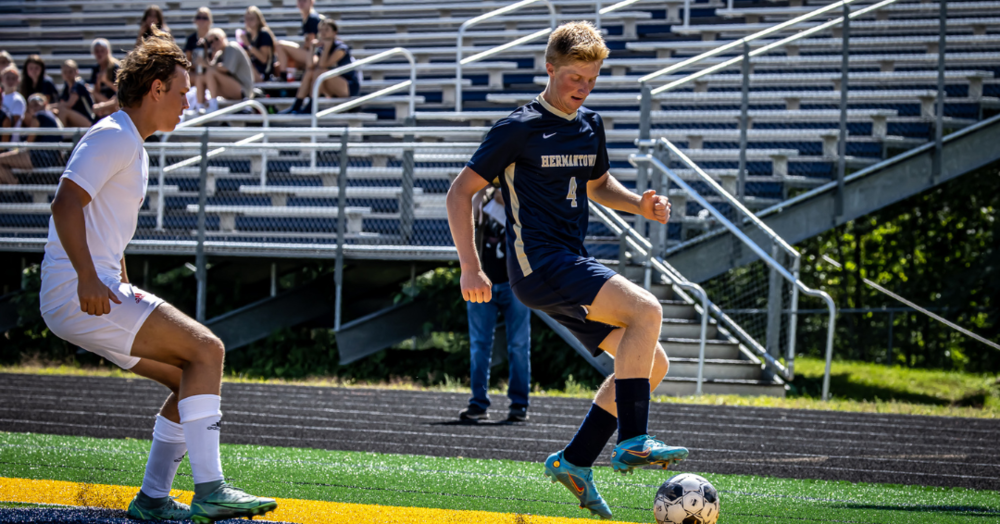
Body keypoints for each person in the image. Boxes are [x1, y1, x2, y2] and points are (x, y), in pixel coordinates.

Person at [445, 21, 688, 520]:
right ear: (550, 68)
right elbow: (459, 192)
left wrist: (638, 205)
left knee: (650, 363)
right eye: (574, 76)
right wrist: (471, 268)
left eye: (592, 79)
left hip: (567, 262)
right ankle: (634, 440)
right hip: (539, 265)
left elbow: (598, 186)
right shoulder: (517, 127)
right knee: (646, 309)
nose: (582, 87)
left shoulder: (590, 124)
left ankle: (575, 461)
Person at [40, 26, 276, 522]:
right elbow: (65, 204)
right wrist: (88, 277)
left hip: (89, 289)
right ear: (156, 89)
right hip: (77, 292)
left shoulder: (131, 143)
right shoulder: (113, 136)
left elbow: (104, 228)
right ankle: (211, 488)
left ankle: (151, 498)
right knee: (208, 350)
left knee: (189, 378)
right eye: (184, 93)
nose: (187, 104)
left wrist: (111, 278)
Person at [459, 184, 532, 423]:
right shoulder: (482, 194)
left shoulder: (525, 190)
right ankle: (478, 404)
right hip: (483, 283)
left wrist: (510, 199)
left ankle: (519, 405)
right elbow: (467, 215)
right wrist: (485, 191)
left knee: (519, 345)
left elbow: (533, 224)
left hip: (517, 284)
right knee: (479, 345)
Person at [281, 19, 358, 114]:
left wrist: (327, 46)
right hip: (330, 86)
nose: (323, 32)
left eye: (327, 29)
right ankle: (296, 105)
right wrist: (312, 47)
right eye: (321, 30)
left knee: (320, 71)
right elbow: (310, 65)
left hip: (347, 87)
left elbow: (322, 65)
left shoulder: (341, 48)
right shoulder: (321, 48)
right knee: (310, 72)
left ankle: (311, 105)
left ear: (335, 32)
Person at [0, 94, 63, 184]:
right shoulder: (51, 116)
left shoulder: (39, 116)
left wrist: (14, 151)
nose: (33, 107)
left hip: (42, 156)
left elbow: (28, 144)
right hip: (49, 156)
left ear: (45, 104)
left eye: (36, 104)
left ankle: (17, 191)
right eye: (31, 105)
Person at [194, 28, 254, 110]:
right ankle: (199, 105)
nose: (214, 43)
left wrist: (205, 64)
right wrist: (205, 49)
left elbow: (225, 68)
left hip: (243, 91)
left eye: (216, 38)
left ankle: (213, 105)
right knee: (200, 77)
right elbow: (210, 70)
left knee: (210, 72)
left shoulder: (231, 47)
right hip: (231, 88)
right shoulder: (219, 54)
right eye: (211, 42)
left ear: (223, 37)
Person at [274, 0, 322, 80]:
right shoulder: (307, 17)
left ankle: (283, 76)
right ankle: (287, 78)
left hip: (316, 55)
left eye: (304, 1)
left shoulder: (312, 18)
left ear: (311, 2)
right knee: (277, 66)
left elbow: (311, 42)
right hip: (312, 55)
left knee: (279, 45)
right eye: (299, 1)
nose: (301, 3)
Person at [54, 60, 96, 127]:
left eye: (70, 72)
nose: (68, 74)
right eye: (65, 72)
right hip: (75, 117)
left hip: (89, 119)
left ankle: (60, 136)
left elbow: (69, 104)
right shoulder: (67, 86)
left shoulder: (78, 84)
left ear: (76, 71)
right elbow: (62, 103)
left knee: (63, 111)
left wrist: (49, 106)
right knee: (54, 112)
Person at [241, 6, 276, 82]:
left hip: (263, 73)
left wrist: (248, 45)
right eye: (247, 19)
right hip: (253, 70)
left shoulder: (264, 34)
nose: (249, 21)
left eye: (252, 19)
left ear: (258, 20)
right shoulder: (248, 36)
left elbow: (263, 59)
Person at [89, 38, 121, 118]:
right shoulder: (96, 69)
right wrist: (98, 83)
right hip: (103, 101)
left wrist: (106, 81)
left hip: (115, 102)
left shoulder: (115, 67)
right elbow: (96, 92)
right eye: (97, 51)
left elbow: (120, 91)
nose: (99, 54)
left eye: (102, 51)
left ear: (107, 51)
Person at [2, 66, 25, 135]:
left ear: (18, 81)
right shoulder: (1, 96)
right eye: (8, 78)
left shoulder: (18, 100)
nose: (10, 81)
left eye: (13, 78)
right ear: (2, 79)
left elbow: (11, 124)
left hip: (10, 142)